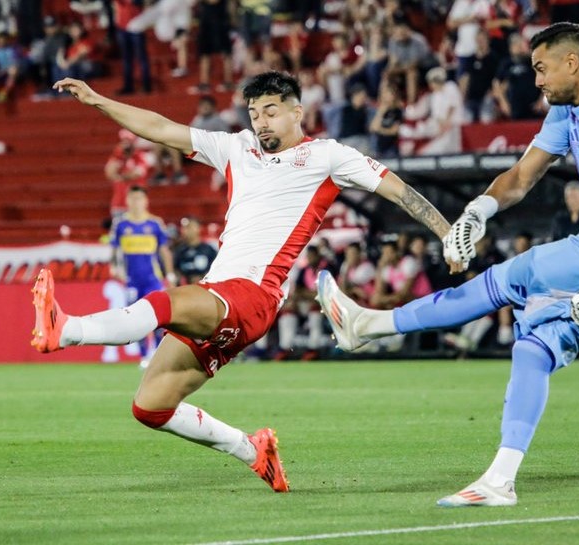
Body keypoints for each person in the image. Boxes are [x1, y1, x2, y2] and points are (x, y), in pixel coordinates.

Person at [33, 70, 455, 492]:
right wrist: (97, 100)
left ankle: (68, 329)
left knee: (165, 304)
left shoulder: (329, 155)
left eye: (271, 111)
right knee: (151, 406)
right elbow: (161, 129)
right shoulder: (236, 147)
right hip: (222, 296)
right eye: (255, 113)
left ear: (297, 112)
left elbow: (400, 192)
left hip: (254, 295)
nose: (261, 121)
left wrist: (447, 234)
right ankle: (252, 450)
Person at [317, 23, 579, 507]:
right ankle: (500, 480)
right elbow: (521, 175)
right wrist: (477, 211)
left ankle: (371, 324)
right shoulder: (568, 110)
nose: (535, 80)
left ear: (571, 63)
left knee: (512, 277)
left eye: (541, 68)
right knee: (535, 346)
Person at [110, 186, 176, 368]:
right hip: (131, 280)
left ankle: (156, 351)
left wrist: (169, 274)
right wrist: (114, 267)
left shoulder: (155, 224)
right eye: (133, 198)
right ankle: (143, 356)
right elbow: (115, 251)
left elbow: (164, 251)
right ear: (127, 201)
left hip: (152, 279)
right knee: (135, 318)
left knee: (156, 316)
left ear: (146, 201)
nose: (136, 202)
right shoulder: (121, 225)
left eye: (139, 198)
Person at [173, 215, 218, 284]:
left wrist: (203, 278)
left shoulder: (209, 250)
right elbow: (175, 272)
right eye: (183, 227)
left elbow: (216, 270)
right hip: (185, 288)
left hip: (205, 288)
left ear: (198, 228)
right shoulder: (179, 251)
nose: (185, 230)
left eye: (189, 227)